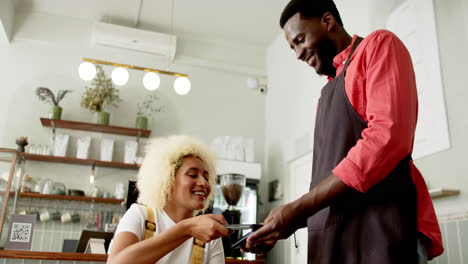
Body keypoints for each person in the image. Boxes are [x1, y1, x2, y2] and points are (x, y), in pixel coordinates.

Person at [244, 0, 444, 263]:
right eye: (293, 47)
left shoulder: (378, 46)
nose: (298, 54)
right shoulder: (325, 94)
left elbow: (387, 139)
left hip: (382, 235)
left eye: (300, 40)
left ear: (327, 21)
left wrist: (299, 208)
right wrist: (291, 222)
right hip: (335, 243)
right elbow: (335, 184)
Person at [108, 135, 230, 264]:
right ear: (168, 179)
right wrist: (186, 229)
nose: (204, 183)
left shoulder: (211, 236)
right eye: (193, 175)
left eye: (206, 178)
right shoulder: (141, 215)